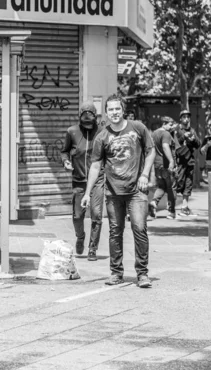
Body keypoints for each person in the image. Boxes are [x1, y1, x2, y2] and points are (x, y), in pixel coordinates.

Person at [82, 94, 155, 288]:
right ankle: (116, 273)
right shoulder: (102, 137)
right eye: (111, 109)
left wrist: (145, 175)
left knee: (139, 228)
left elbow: (150, 151)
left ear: (123, 110)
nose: (114, 113)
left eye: (117, 109)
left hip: (136, 190)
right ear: (106, 113)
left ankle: (142, 273)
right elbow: (96, 166)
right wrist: (87, 193)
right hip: (113, 192)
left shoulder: (138, 128)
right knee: (115, 232)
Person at [60, 101, 104, 261]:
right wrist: (65, 161)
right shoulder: (71, 131)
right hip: (78, 181)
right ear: (79, 118)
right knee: (78, 216)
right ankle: (80, 237)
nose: (87, 125)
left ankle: (93, 248)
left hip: (98, 180)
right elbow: (64, 151)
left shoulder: (102, 132)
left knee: (97, 215)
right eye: (83, 121)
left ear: (95, 119)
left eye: (90, 121)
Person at [149, 116, 178, 220]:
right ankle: (171, 212)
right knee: (171, 187)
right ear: (164, 123)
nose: (171, 127)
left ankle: (153, 202)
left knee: (161, 186)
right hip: (166, 165)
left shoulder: (154, 133)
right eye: (170, 125)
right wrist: (171, 160)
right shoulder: (166, 134)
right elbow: (165, 146)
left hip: (157, 165)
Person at [173, 109, 200, 216]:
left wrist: (193, 139)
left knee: (188, 183)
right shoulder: (177, 129)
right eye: (184, 117)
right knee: (178, 183)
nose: (186, 119)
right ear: (180, 119)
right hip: (179, 161)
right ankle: (171, 206)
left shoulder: (192, 130)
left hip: (190, 161)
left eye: (188, 117)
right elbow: (173, 142)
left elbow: (198, 144)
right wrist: (183, 137)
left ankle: (184, 207)